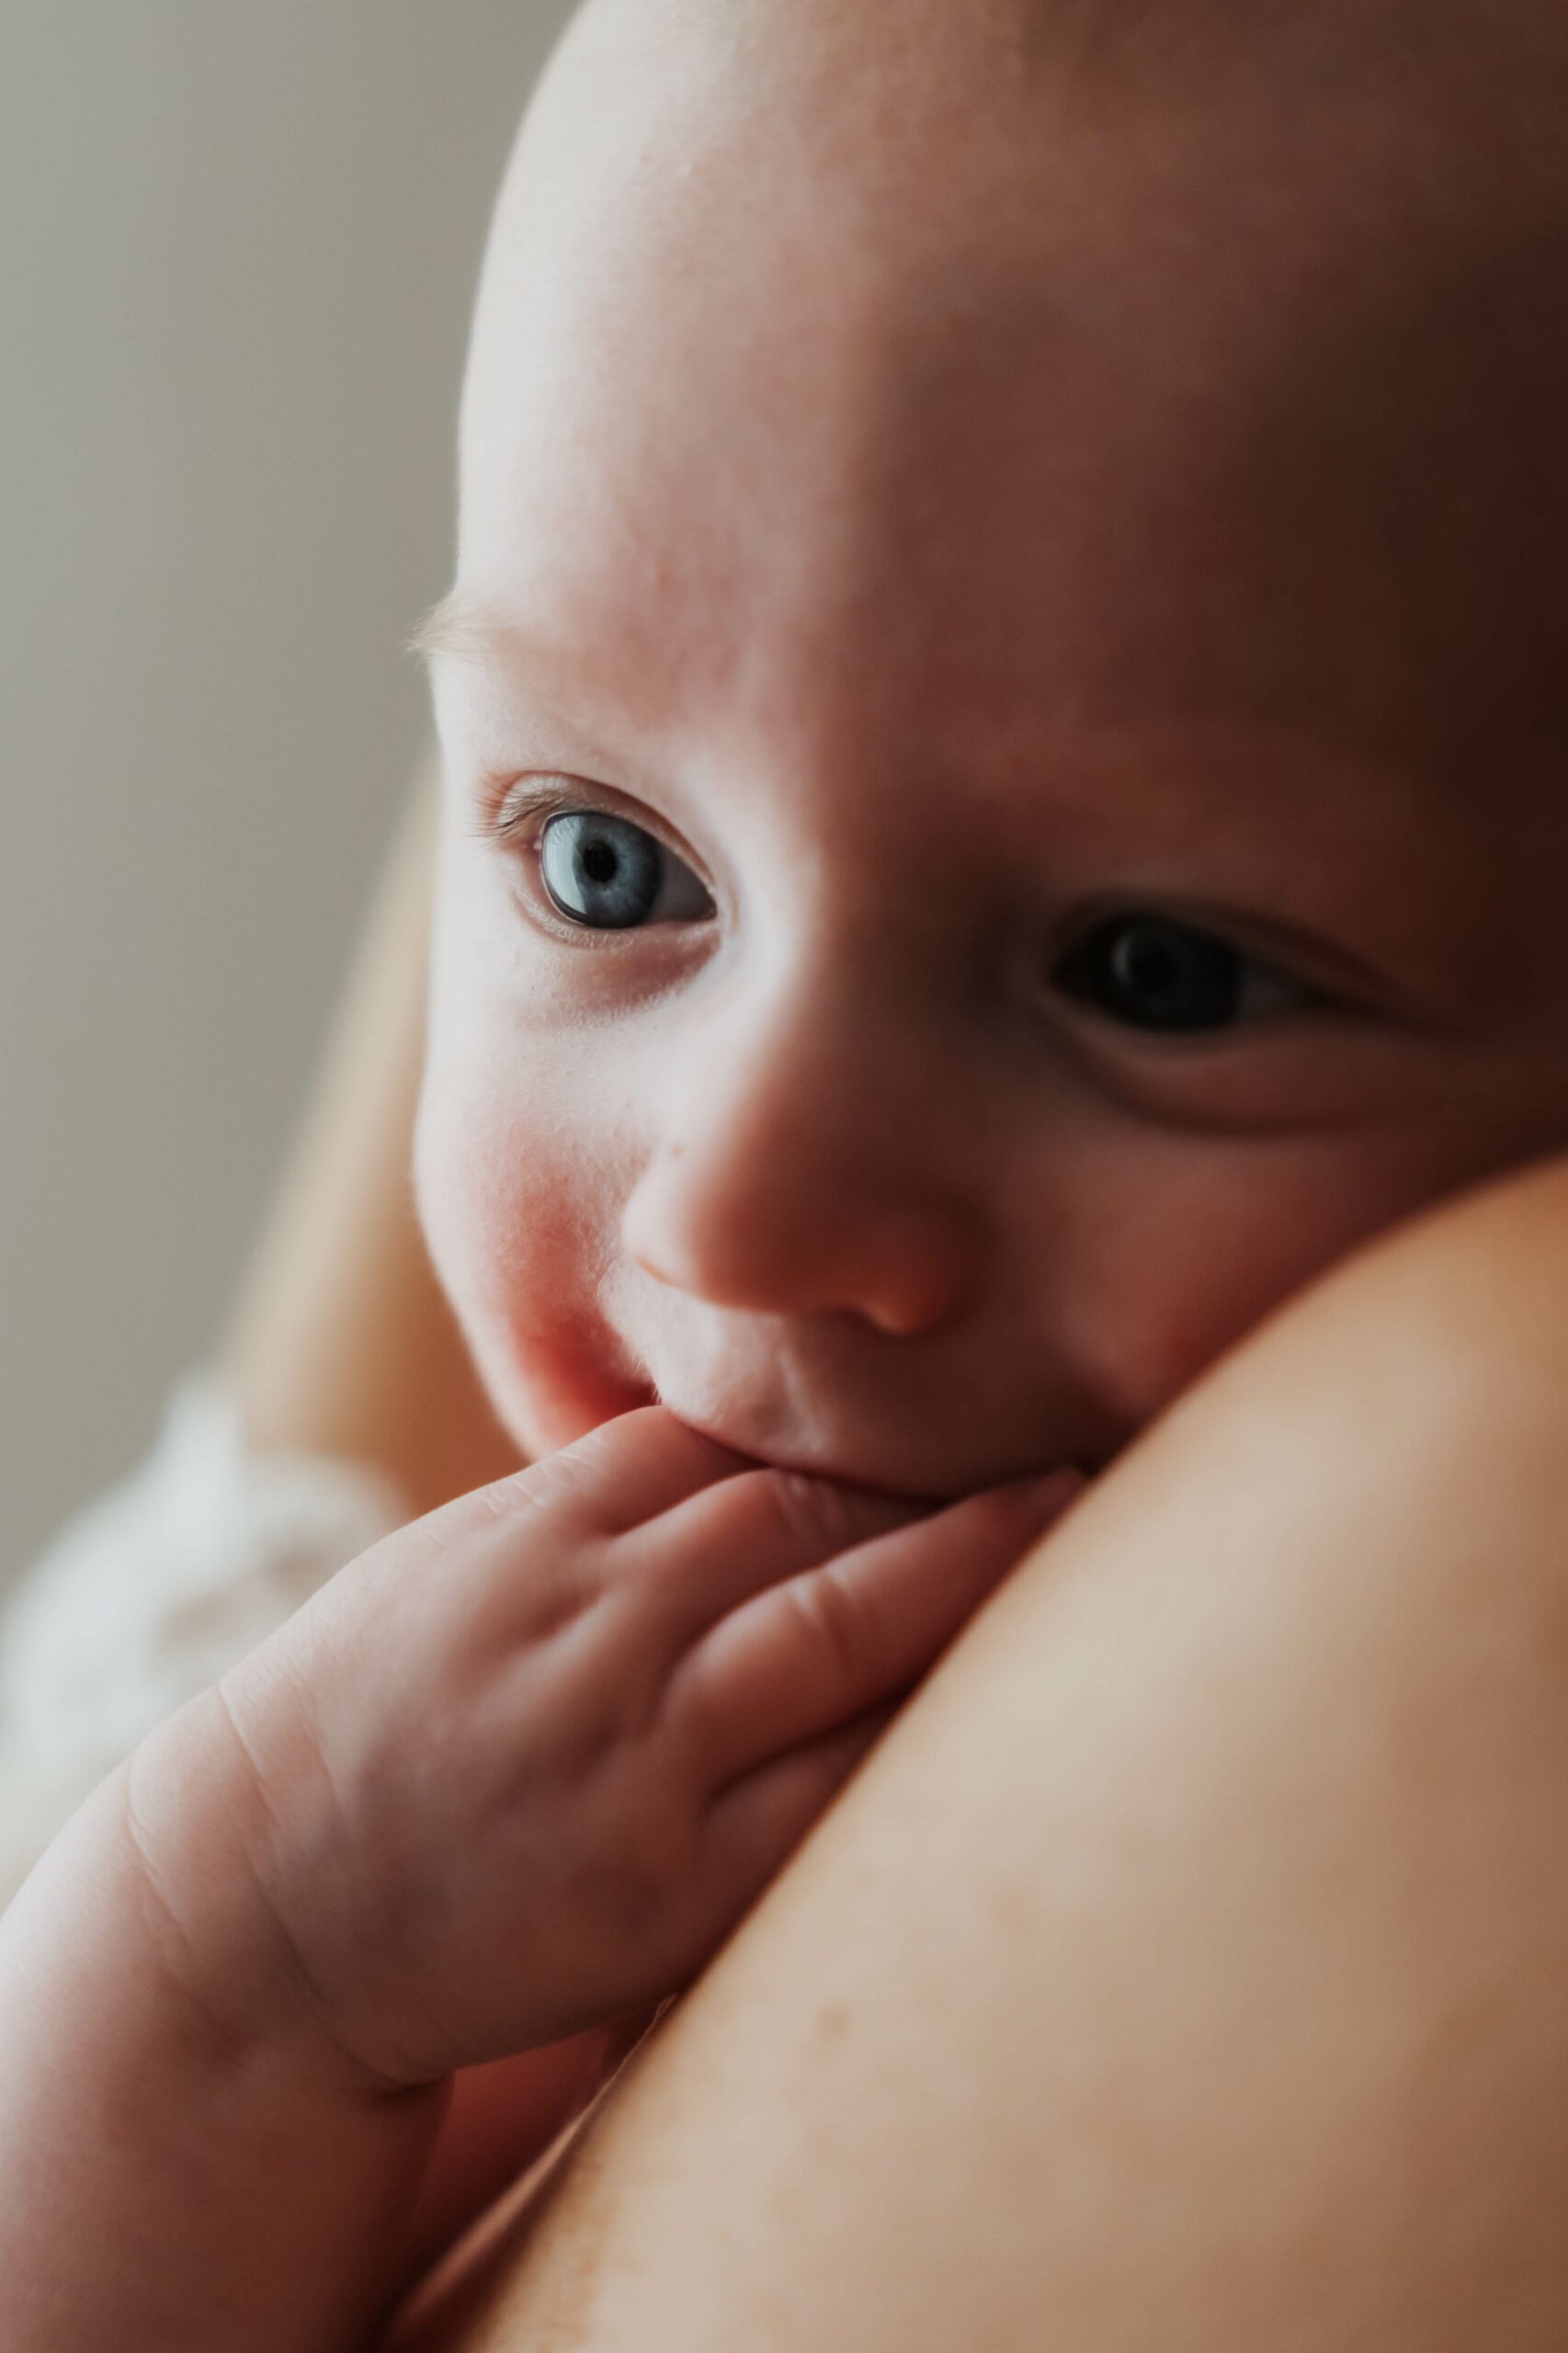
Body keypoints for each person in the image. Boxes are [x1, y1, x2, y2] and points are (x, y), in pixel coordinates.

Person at [8, 0, 1568, 2342]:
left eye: (1149, 971)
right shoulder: (443, 1846)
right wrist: (212, 1996)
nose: (733, 1201)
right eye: (609, 869)